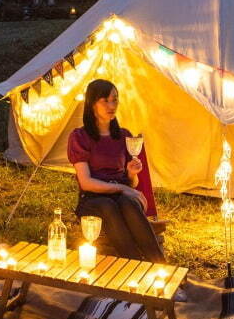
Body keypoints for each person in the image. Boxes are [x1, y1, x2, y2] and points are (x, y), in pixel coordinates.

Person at [66, 79, 166, 262]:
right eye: (105, 100)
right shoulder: (80, 137)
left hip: (121, 197)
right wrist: (124, 188)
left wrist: (131, 174)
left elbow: (131, 183)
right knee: (109, 206)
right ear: (92, 103)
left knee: (128, 203)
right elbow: (86, 182)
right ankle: (136, 264)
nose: (111, 105)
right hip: (93, 199)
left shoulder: (123, 136)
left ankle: (160, 265)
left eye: (115, 100)